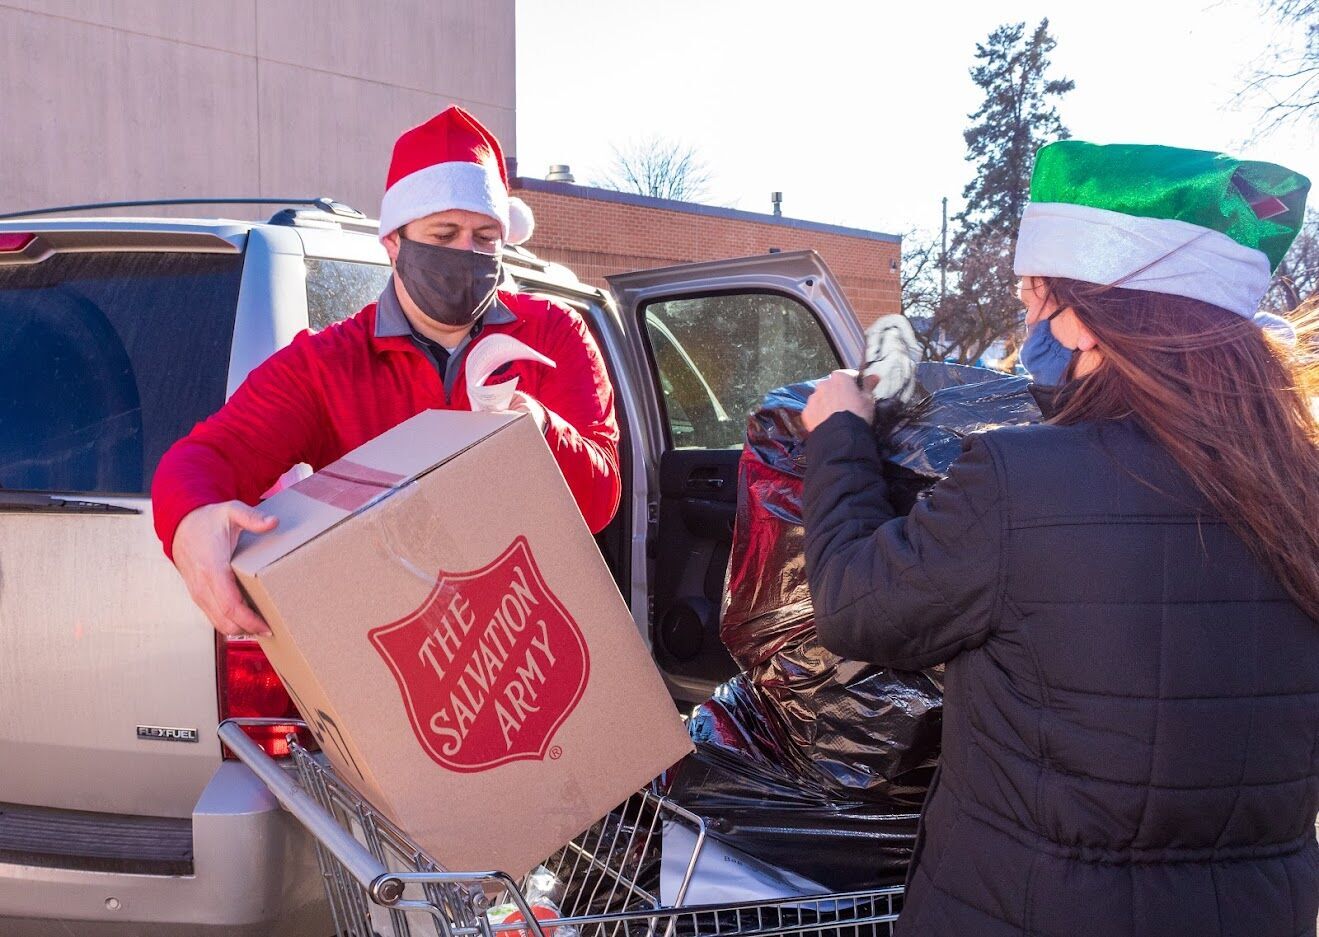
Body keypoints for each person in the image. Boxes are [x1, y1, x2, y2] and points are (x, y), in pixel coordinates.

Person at [800, 141, 1318, 936]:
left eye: (1036, 294)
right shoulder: (1301, 488)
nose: (1030, 317)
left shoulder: (1018, 480)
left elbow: (854, 606)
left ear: (1083, 315)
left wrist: (837, 434)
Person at [153, 106, 621, 637]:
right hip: (398, 642)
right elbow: (208, 455)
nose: (465, 254)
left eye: (485, 238)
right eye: (444, 236)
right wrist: (190, 519)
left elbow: (599, 499)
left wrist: (537, 429)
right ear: (394, 242)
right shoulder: (328, 364)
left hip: (530, 629)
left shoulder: (554, 333)